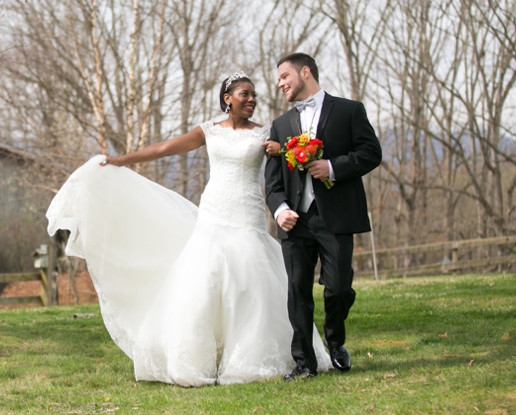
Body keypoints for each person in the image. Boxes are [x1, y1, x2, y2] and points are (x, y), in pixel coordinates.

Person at [46, 71, 331, 386]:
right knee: (205, 281)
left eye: (254, 96)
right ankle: (199, 357)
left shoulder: (265, 132)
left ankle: (252, 355)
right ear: (228, 99)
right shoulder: (208, 130)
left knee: (251, 282)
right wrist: (122, 160)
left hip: (248, 212)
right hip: (214, 211)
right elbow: (166, 148)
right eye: (244, 94)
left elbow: (291, 162)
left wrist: (289, 153)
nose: (251, 100)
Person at [263, 53, 381, 381]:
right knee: (297, 292)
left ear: (305, 72)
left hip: (336, 217)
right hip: (295, 222)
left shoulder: (349, 111)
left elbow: (371, 153)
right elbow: (272, 183)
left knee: (339, 288)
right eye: (278, 80)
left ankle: (335, 339)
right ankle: (304, 363)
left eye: (285, 76)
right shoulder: (281, 125)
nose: (281, 84)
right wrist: (281, 209)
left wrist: (332, 167)